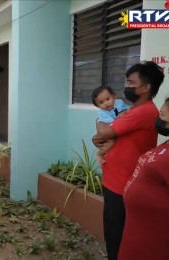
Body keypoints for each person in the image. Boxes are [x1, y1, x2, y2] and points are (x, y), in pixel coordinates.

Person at [92, 61, 164, 260]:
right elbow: (102, 137)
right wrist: (98, 137)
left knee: (117, 238)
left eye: (131, 82)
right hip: (114, 180)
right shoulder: (130, 110)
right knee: (112, 233)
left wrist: (98, 122)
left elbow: (104, 131)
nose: (127, 86)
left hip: (123, 186)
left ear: (145, 87)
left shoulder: (143, 112)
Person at [118, 97, 169, 259]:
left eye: (164, 113)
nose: (160, 113)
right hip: (137, 239)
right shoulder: (166, 144)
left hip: (154, 246)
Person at [91, 86, 129, 164]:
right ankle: (99, 154)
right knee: (111, 142)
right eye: (101, 102)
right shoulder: (102, 113)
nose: (106, 103)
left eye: (108, 99)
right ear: (97, 106)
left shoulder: (119, 102)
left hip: (119, 131)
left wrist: (123, 113)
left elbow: (126, 110)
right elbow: (112, 124)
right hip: (109, 131)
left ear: (114, 96)